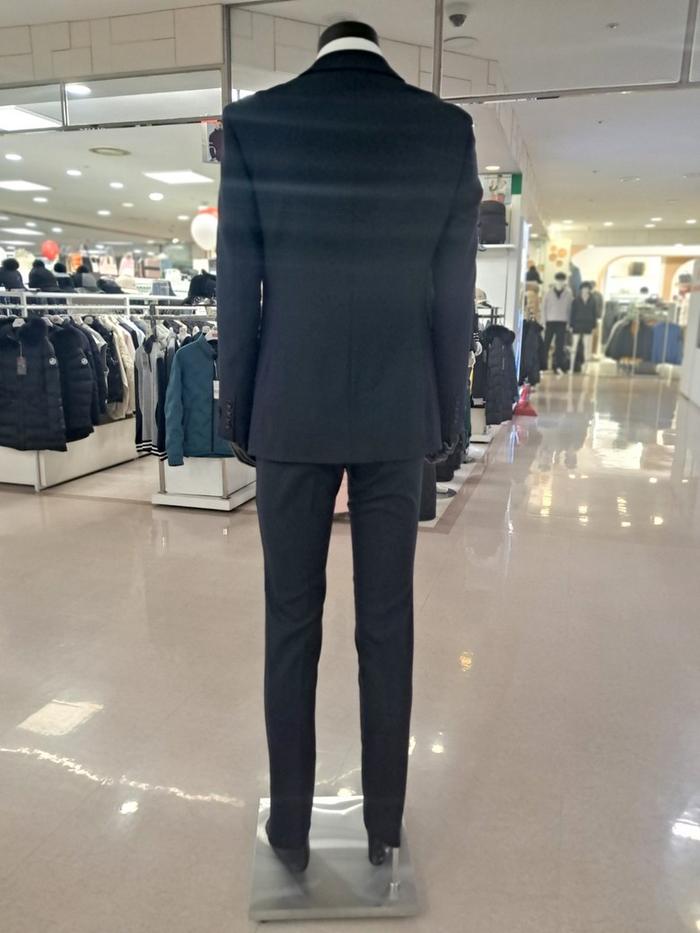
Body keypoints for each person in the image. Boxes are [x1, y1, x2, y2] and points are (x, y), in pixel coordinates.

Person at [217, 19, 481, 872]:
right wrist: (447, 414)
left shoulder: (255, 122)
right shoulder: (444, 131)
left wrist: (238, 410)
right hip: (398, 407)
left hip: (289, 405)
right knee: (388, 624)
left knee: (289, 623)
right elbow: (455, 292)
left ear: (321, 48)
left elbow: (238, 286)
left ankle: (291, 833)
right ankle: (383, 829)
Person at [542, 271, 573, 373]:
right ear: (555, 281)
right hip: (550, 321)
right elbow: (544, 308)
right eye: (558, 280)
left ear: (564, 281)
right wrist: (544, 321)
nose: (560, 282)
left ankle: (558, 366)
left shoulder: (568, 294)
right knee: (546, 344)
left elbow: (570, 309)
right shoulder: (548, 293)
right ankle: (543, 365)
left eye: (562, 280)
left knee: (560, 345)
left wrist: (568, 323)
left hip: (562, 321)